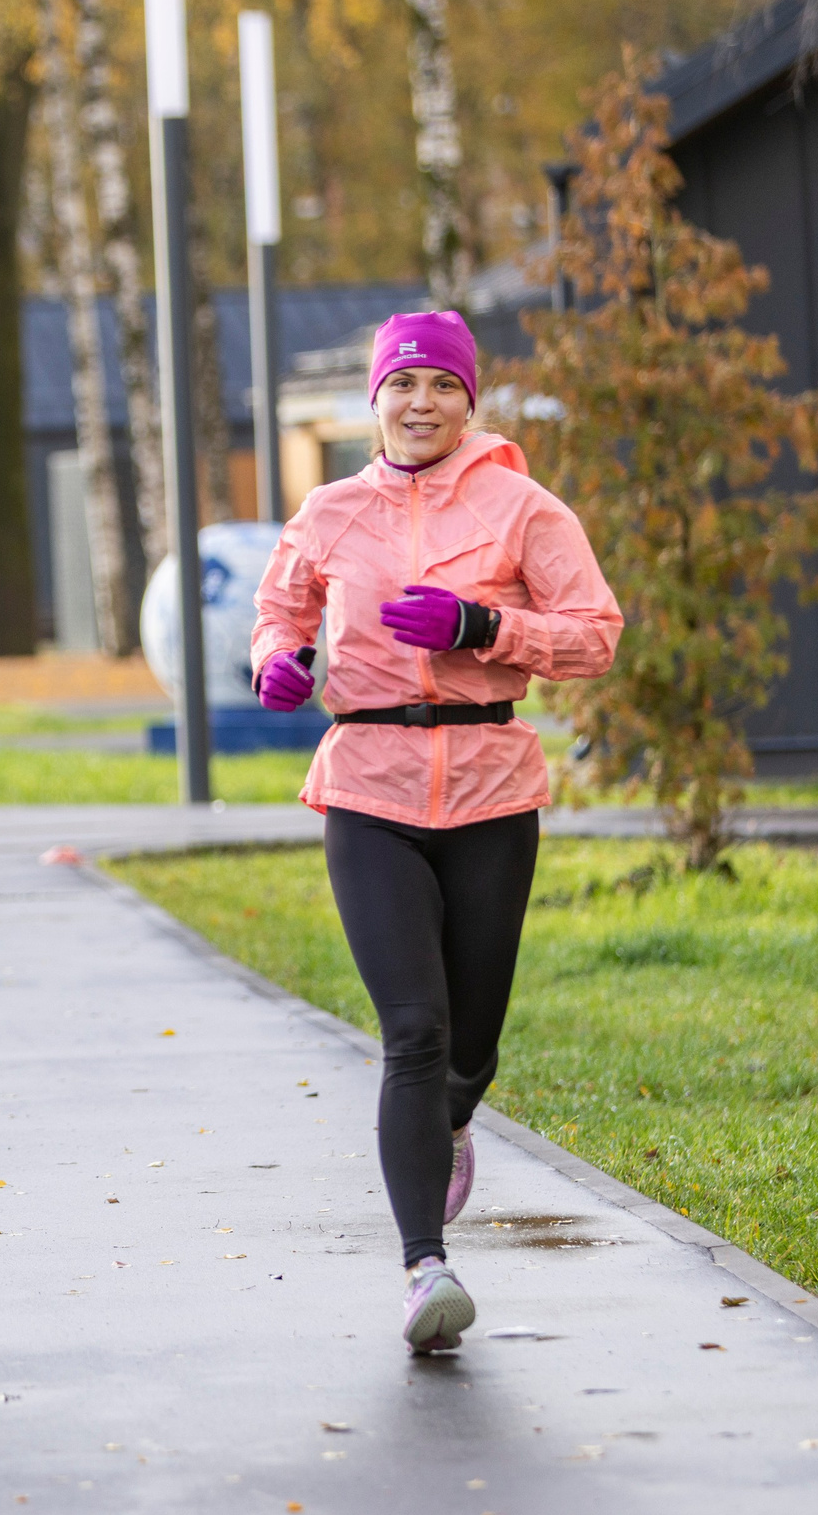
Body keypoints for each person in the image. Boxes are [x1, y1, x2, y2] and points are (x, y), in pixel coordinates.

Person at [248, 310, 621, 1356]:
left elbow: (594, 637)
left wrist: (480, 627)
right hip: (366, 783)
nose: (418, 403)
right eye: (400, 385)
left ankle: (455, 1115)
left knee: (469, 1042)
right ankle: (424, 1269)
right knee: (411, 1031)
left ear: (469, 398)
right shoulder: (325, 512)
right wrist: (276, 666)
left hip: (491, 791)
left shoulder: (523, 508)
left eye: (439, 386)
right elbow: (279, 616)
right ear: (373, 401)